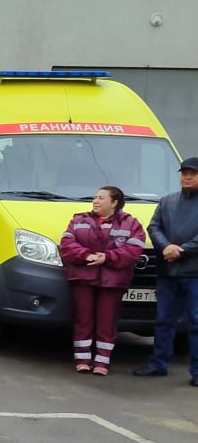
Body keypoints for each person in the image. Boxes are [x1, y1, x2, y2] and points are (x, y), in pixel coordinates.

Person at [58, 186, 145, 375]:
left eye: (101, 198)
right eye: (95, 197)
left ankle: (102, 363)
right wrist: (86, 255)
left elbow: (134, 250)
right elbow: (66, 244)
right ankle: (82, 360)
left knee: (107, 322)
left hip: (112, 282)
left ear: (115, 202)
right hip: (83, 278)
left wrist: (108, 257)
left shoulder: (130, 223)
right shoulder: (79, 220)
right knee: (83, 319)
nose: (96, 201)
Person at [133, 157, 198, 387]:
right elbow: (154, 226)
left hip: (194, 273)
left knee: (196, 322)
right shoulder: (167, 201)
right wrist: (166, 246)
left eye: (193, 173)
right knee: (163, 320)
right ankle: (158, 363)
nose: (187, 177)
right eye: (184, 173)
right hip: (168, 271)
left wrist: (181, 250)